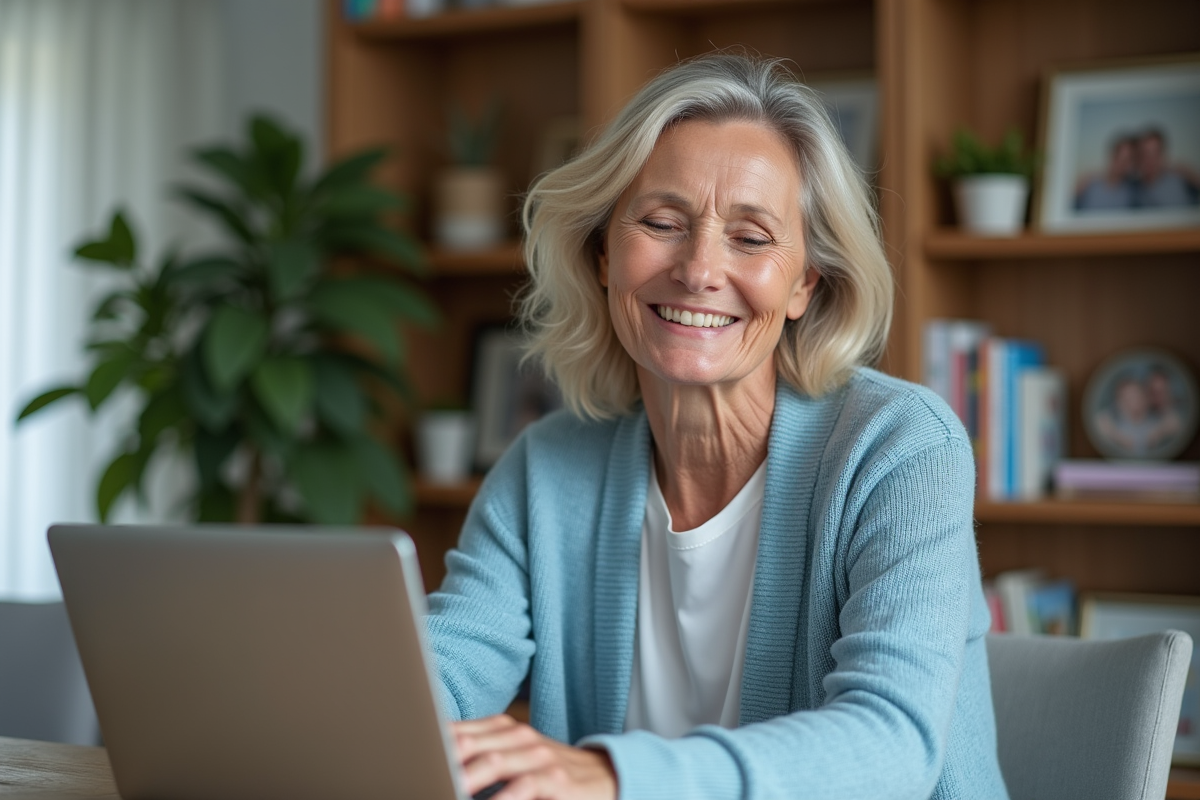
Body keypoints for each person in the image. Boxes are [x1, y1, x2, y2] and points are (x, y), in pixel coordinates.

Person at [427, 53, 1009, 800]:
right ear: (603, 254)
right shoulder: (545, 467)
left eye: (752, 237)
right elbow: (441, 676)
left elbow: (890, 745)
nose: (700, 269)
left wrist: (613, 775)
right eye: (661, 223)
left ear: (804, 284)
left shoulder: (900, 448)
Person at [1133, 127, 1200, 208]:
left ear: (1163, 154)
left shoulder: (1180, 179)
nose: (1150, 159)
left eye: (1155, 153)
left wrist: (1189, 173)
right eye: (1145, 154)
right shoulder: (1134, 187)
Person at [1074, 133, 1137, 210]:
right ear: (1112, 155)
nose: (1123, 164)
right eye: (1120, 157)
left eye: (1128, 159)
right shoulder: (1088, 185)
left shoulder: (1132, 193)